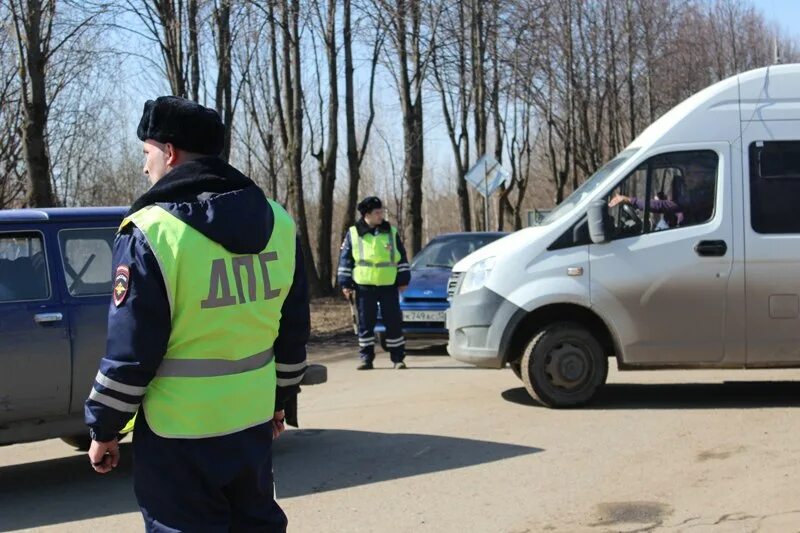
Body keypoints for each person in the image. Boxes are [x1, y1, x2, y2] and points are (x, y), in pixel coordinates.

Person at [84, 96, 309, 532]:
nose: (144, 166)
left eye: (145, 152)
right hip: (251, 424)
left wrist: (105, 428)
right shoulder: (280, 222)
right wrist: (280, 402)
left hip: (178, 436)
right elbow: (294, 329)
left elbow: (132, 351)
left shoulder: (152, 232)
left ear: (169, 152)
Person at [338, 197, 411, 370]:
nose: (381, 215)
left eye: (381, 212)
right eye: (377, 213)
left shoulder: (390, 232)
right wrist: (345, 283)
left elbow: (401, 258)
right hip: (364, 286)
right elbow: (345, 260)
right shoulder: (354, 233)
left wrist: (403, 279)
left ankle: (398, 358)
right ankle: (366, 358)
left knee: (393, 322)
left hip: (388, 285)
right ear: (367, 215)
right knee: (365, 323)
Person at [609, 159, 716, 228]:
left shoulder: (704, 195)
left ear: (705, 176)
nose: (688, 177)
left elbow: (667, 206)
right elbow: (675, 209)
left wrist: (631, 200)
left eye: (694, 174)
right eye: (687, 173)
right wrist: (665, 201)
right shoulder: (693, 192)